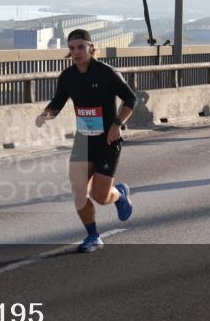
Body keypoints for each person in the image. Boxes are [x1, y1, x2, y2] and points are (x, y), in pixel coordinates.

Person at [36, 29, 136, 253]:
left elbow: (131, 98)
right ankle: (93, 236)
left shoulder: (106, 73)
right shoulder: (68, 76)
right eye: (72, 48)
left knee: (101, 197)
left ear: (91, 47)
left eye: (81, 47)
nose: (76, 52)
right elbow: (58, 102)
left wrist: (117, 124)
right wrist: (45, 115)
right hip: (84, 141)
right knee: (78, 190)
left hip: (108, 141)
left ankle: (119, 194)